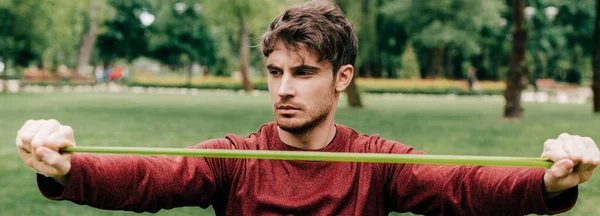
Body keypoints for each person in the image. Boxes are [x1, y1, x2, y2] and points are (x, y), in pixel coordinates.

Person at [15, 1, 599, 215]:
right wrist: (68, 168)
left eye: (303, 72)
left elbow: (463, 186)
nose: (283, 89)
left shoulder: (377, 161)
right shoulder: (234, 159)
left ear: (341, 77)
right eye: (274, 72)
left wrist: (546, 183)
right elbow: (149, 178)